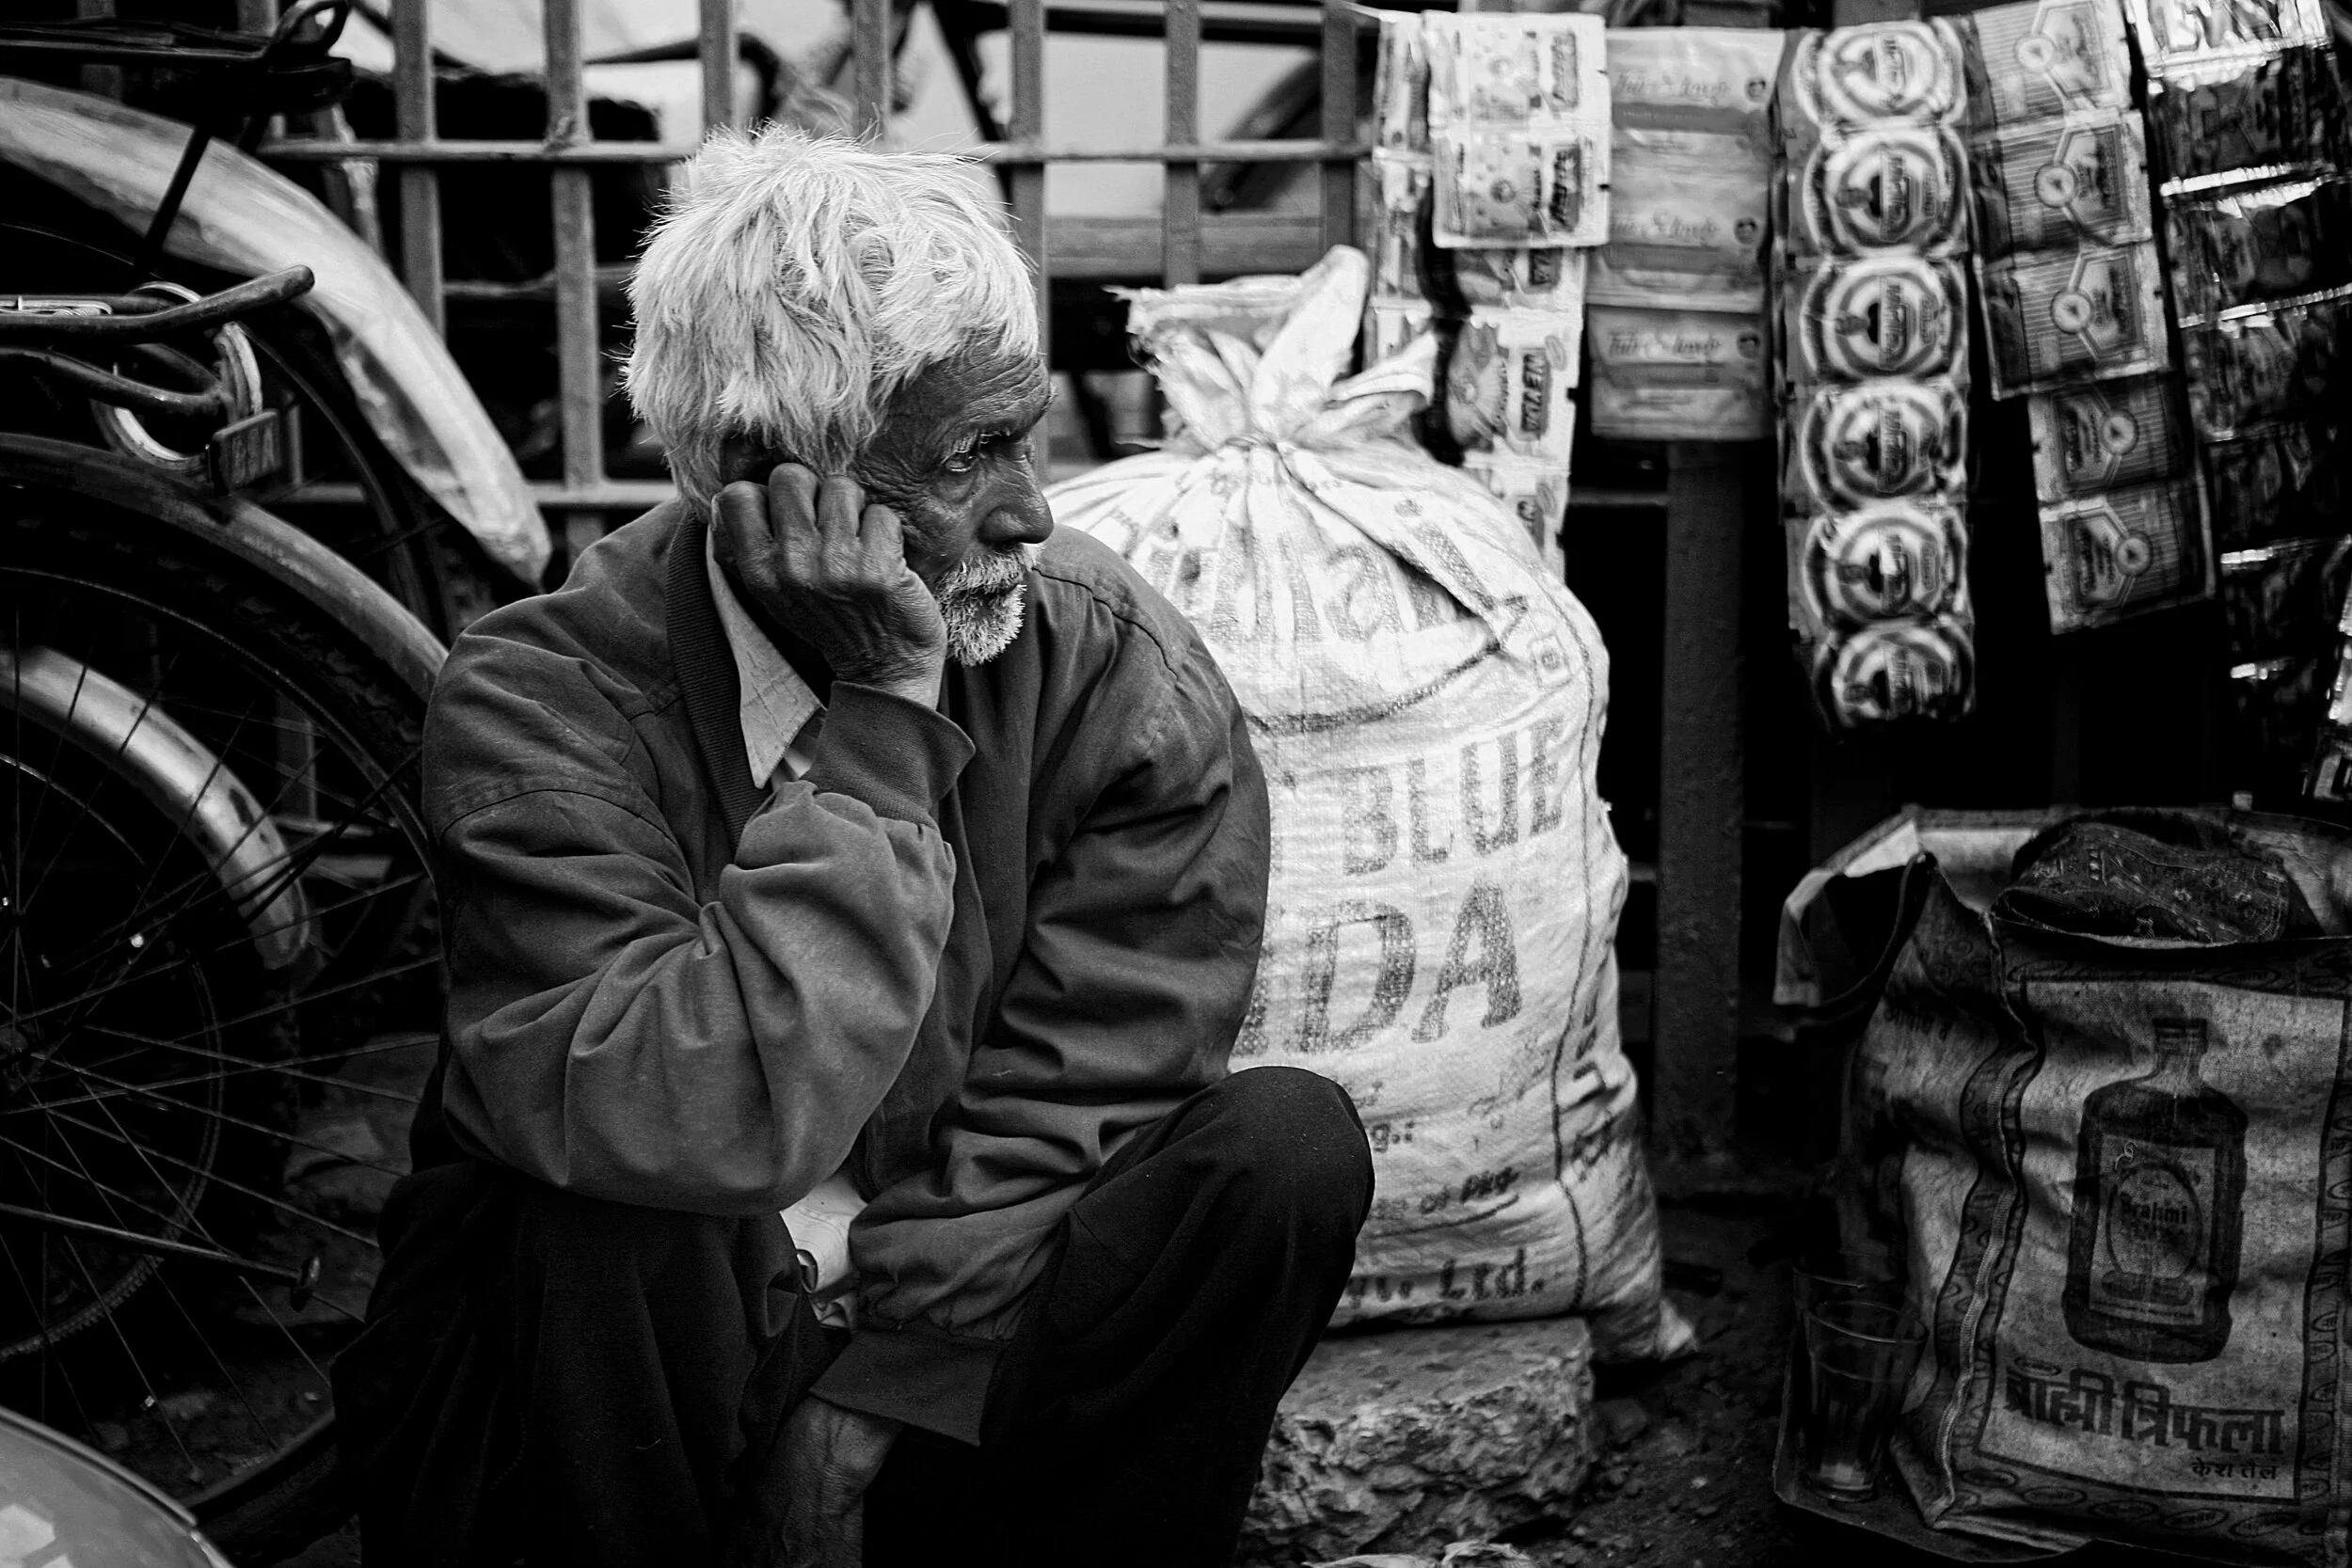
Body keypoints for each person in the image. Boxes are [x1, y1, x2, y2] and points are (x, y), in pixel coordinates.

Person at [332, 126, 1374, 1568]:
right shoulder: (541, 703)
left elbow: (1093, 1078)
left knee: (1280, 1152)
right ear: (776, 477)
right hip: (641, 1400)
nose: (1036, 508)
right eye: (975, 453)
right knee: (596, 1198)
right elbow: (688, 1116)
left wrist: (883, 1392)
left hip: (954, 1357)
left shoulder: (1108, 667)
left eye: (1029, 435)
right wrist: (884, 712)